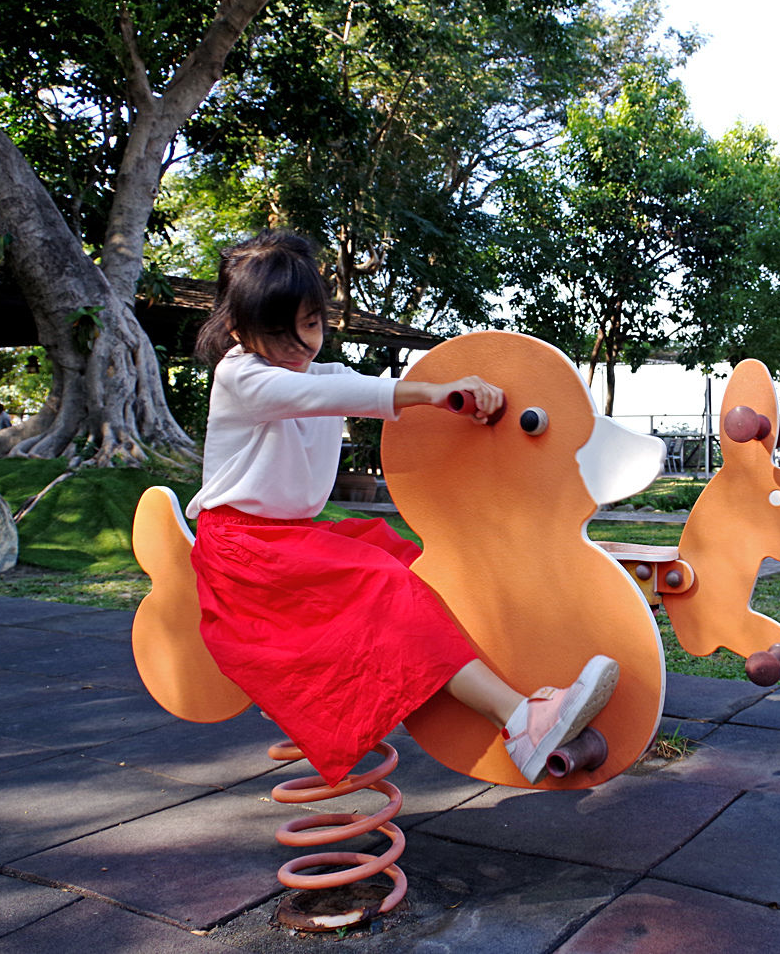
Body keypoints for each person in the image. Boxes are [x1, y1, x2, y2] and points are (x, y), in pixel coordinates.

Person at [185, 230, 618, 787]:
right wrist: (433, 392)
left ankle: (494, 673)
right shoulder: (239, 375)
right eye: (281, 333)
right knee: (383, 583)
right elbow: (340, 397)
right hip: (245, 551)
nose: (301, 345)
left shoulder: (313, 372)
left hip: (289, 539)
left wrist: (455, 394)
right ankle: (519, 719)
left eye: (311, 324)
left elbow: (351, 383)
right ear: (239, 331)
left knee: (411, 557)